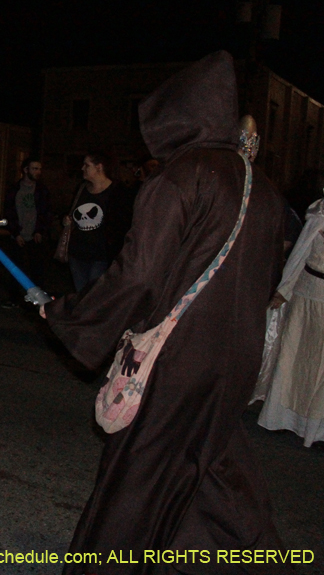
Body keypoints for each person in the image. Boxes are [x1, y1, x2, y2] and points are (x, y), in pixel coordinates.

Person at [43, 51, 286, 573]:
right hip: (236, 357)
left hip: (180, 358)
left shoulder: (184, 175)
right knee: (210, 461)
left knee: (142, 469)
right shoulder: (261, 187)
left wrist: (70, 315)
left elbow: (138, 273)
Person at [257, 193, 324, 446]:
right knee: (295, 357)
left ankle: (316, 429)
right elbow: (300, 253)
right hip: (308, 296)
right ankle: (282, 418)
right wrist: (284, 290)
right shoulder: (320, 213)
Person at [65, 150, 131, 291]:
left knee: (94, 295)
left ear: (99, 167)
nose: (83, 168)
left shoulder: (118, 192)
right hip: (78, 253)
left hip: (101, 255)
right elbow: (73, 213)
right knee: (81, 295)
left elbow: (123, 225)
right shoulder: (82, 189)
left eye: (87, 165)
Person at [1, 158, 51, 307]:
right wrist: (15, 233)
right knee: (16, 269)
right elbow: (9, 213)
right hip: (18, 236)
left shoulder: (42, 190)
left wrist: (40, 231)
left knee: (37, 270)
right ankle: (14, 298)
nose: (38, 172)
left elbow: (45, 212)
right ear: (25, 170)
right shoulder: (14, 190)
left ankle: (39, 300)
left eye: (39, 169)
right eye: (34, 169)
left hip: (35, 237)